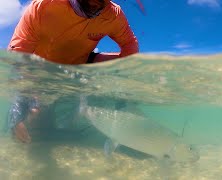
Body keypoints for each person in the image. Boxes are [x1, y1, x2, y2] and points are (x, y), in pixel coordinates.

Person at [7, 0, 140, 143]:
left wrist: (124, 83)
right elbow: (18, 59)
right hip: (41, 70)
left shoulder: (113, 13)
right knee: (36, 120)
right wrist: (20, 108)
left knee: (132, 66)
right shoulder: (43, 7)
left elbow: (130, 44)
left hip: (82, 64)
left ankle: (127, 109)